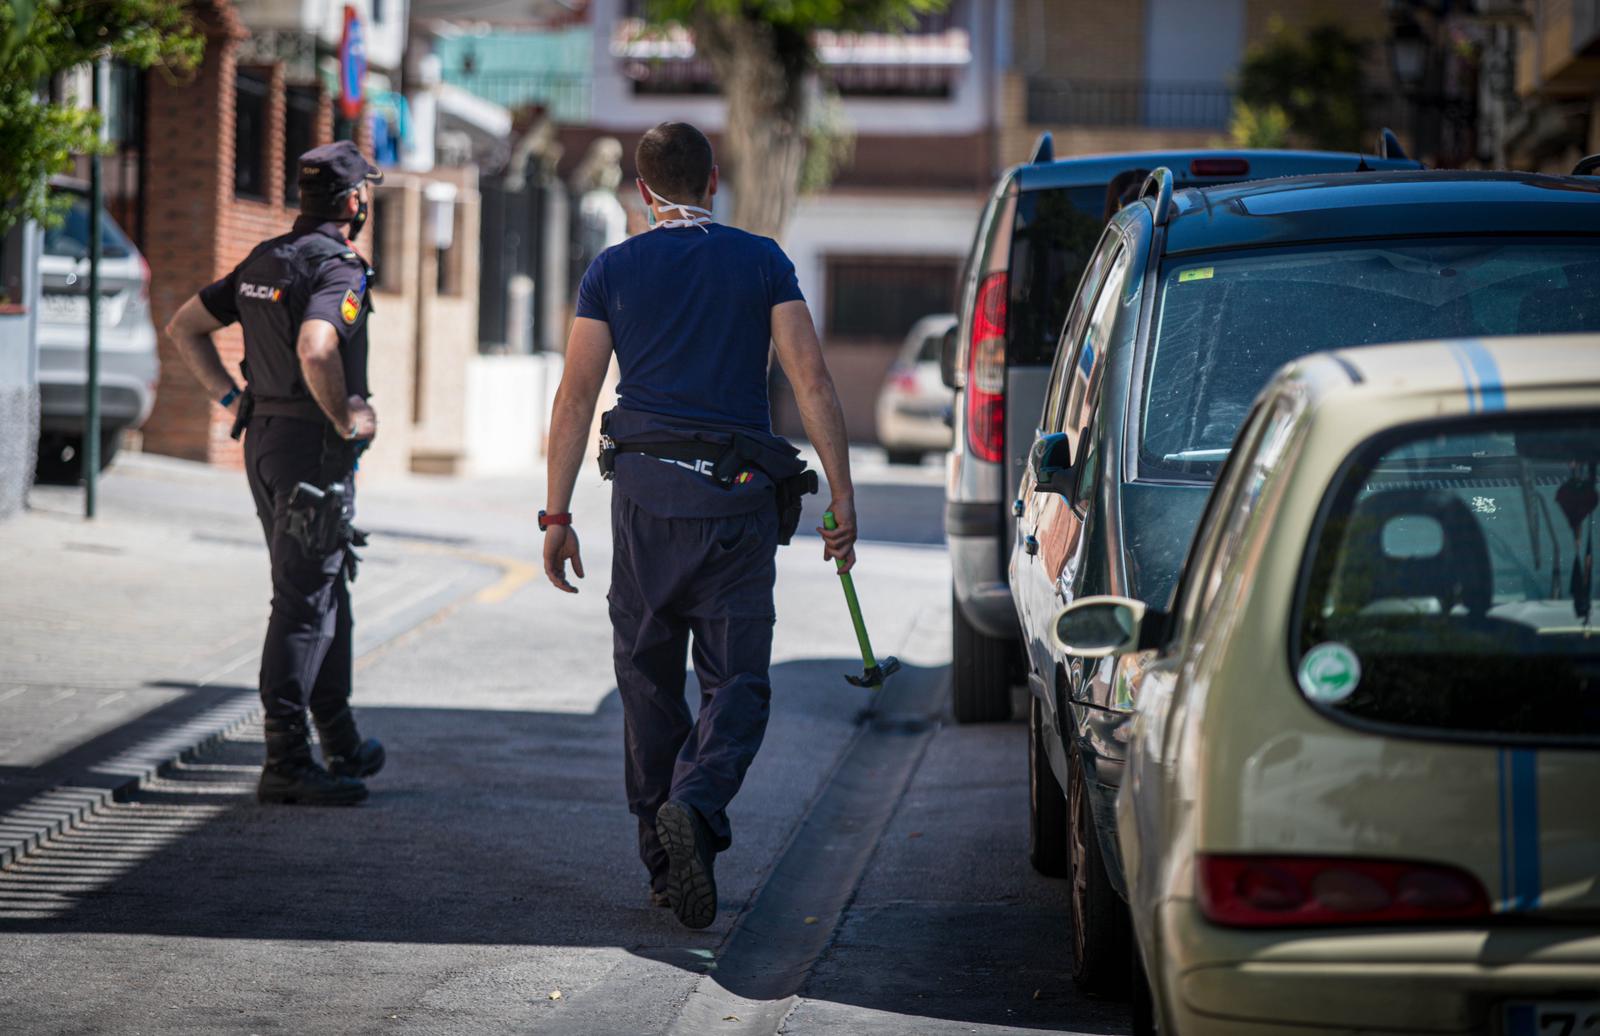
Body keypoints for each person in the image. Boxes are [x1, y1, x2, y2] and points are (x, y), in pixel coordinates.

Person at [541, 121, 857, 929]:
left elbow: (576, 396)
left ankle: (661, 861)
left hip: (644, 503)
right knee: (737, 683)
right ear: (713, 180)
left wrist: (556, 514)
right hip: (737, 507)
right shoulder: (761, 260)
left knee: (648, 680)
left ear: (643, 192)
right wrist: (841, 499)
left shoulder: (612, 269)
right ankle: (699, 799)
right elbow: (812, 380)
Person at [165, 140, 386, 807]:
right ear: (353, 203)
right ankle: (286, 757)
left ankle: (338, 737)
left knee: (323, 588)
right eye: (365, 193)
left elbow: (184, 327)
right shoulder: (338, 268)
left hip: (264, 443)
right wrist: (345, 419)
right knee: (300, 601)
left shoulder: (266, 259)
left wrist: (234, 400)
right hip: (311, 452)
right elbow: (317, 348)